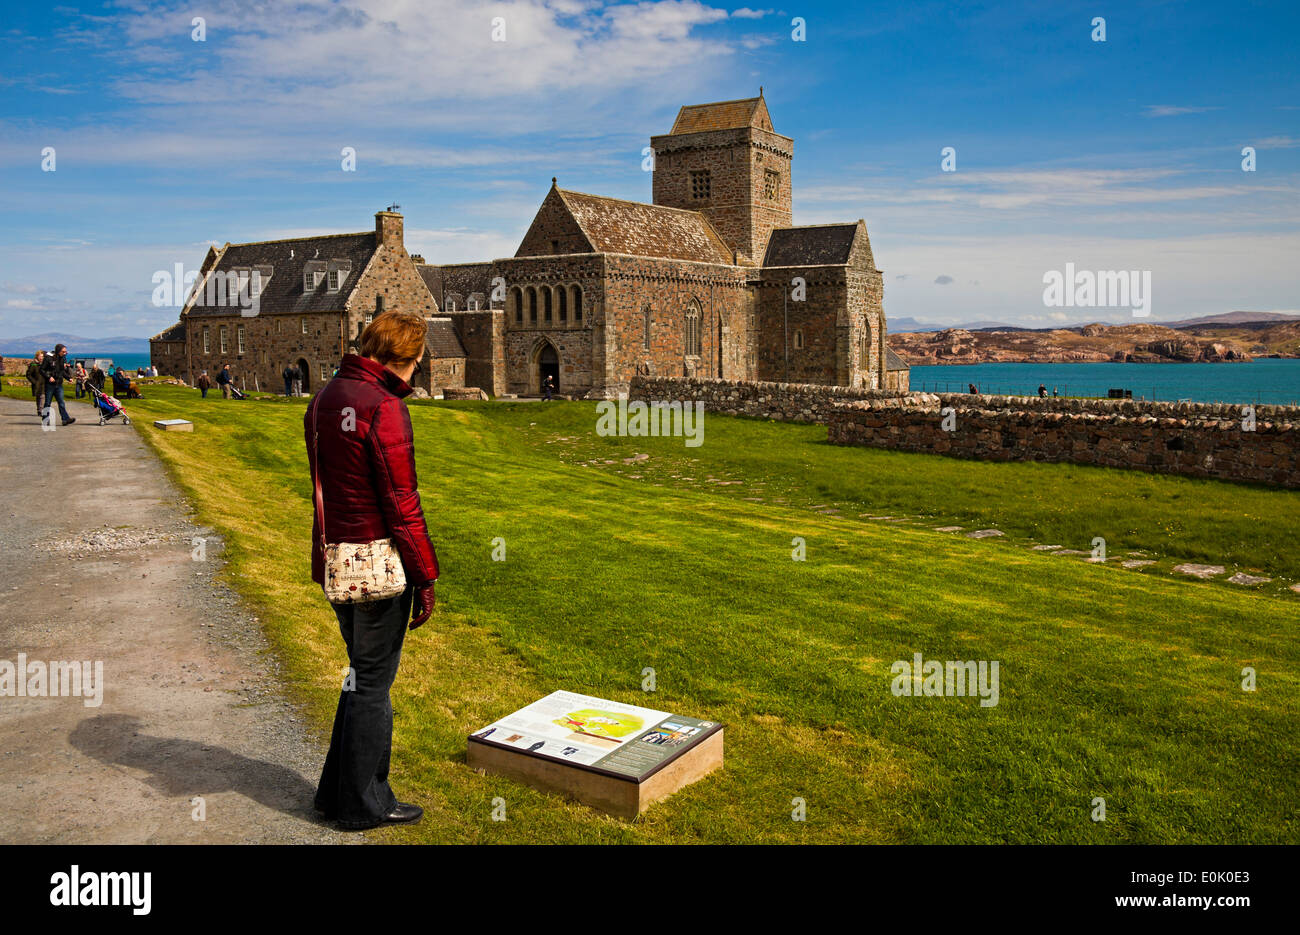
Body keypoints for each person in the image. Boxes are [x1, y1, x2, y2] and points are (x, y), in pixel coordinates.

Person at [305, 311, 439, 831]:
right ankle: (364, 803)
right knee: (373, 685)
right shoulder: (383, 406)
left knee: (359, 675)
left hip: (336, 560)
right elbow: (401, 501)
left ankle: (334, 794)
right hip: (378, 565)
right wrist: (425, 575)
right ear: (412, 356)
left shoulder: (324, 399)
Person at [40, 344, 76, 426]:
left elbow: (62, 371)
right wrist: (49, 377)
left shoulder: (62, 358)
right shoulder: (48, 358)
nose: (65, 353)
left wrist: (68, 378)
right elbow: (41, 370)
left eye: (66, 352)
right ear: (58, 351)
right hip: (49, 384)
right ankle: (45, 420)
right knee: (47, 403)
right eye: (63, 352)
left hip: (59, 384)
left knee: (61, 402)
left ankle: (65, 419)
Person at [25, 351, 46, 416]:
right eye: (40, 356)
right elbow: (28, 375)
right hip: (36, 384)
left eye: (42, 356)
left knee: (42, 397)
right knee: (38, 397)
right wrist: (34, 382)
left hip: (44, 383)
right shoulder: (33, 364)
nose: (41, 358)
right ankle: (39, 410)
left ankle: (41, 410)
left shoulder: (44, 364)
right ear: (37, 356)